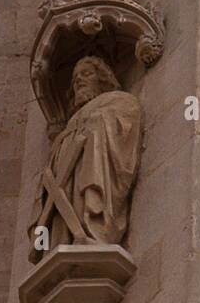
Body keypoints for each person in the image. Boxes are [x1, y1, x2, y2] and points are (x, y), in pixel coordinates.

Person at [29, 55, 142, 259]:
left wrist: (94, 125)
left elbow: (124, 129)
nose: (78, 80)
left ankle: (95, 226)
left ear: (102, 78)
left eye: (86, 74)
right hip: (67, 185)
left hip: (90, 179)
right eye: (74, 79)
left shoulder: (118, 100)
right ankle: (62, 239)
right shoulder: (72, 120)